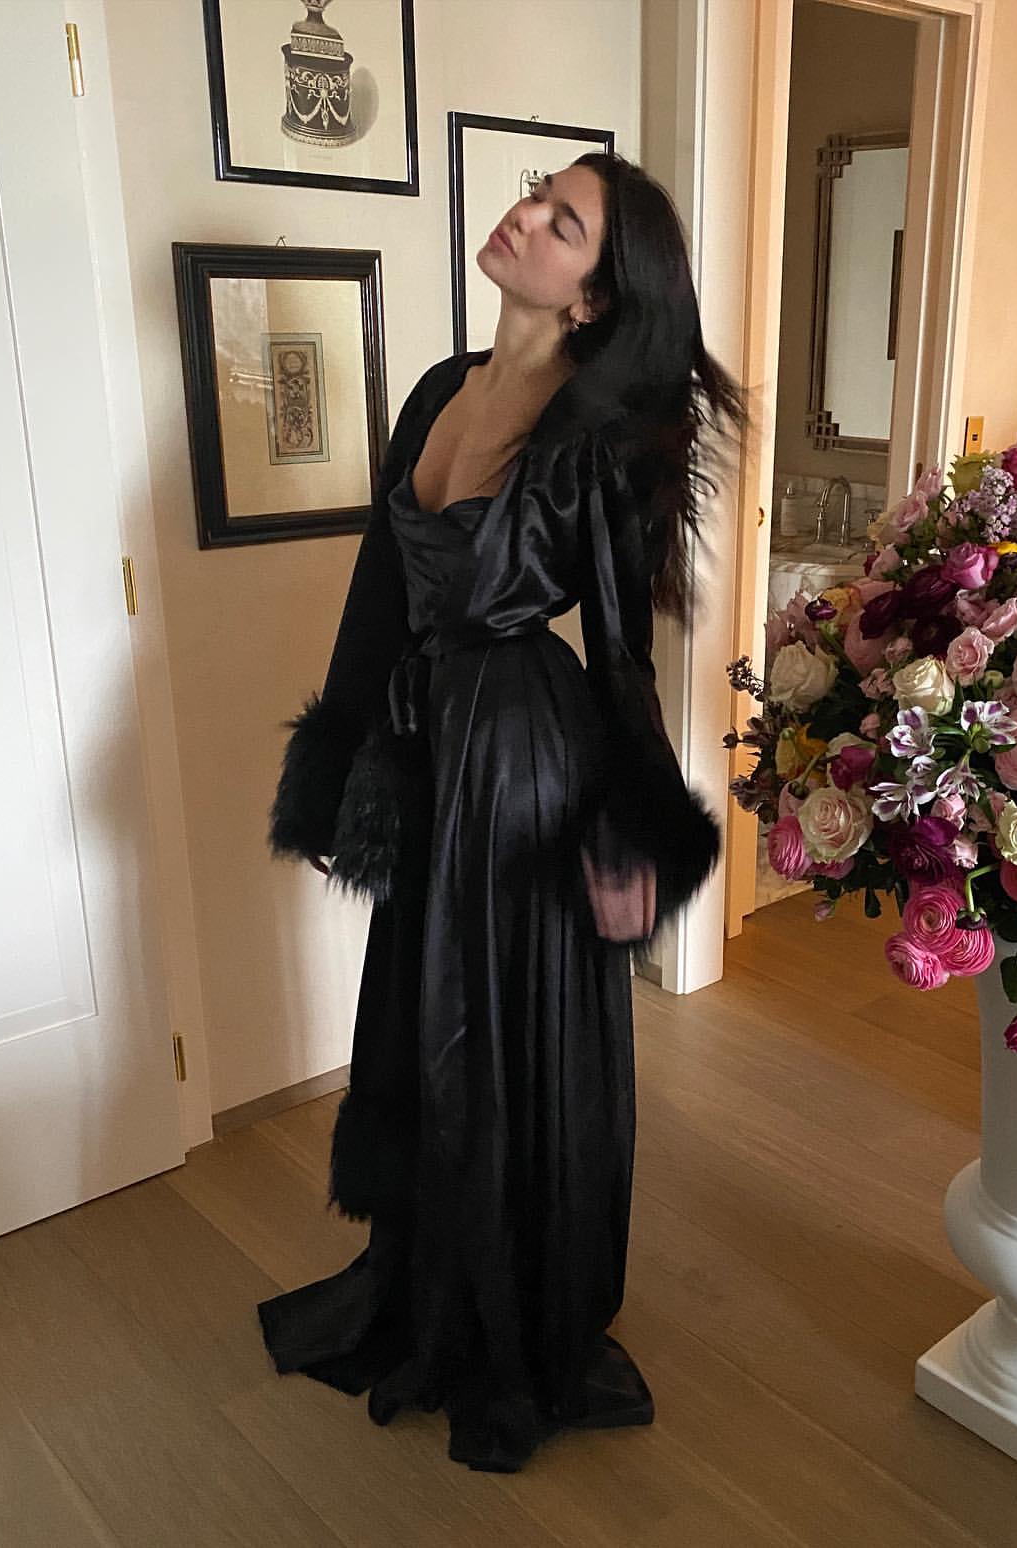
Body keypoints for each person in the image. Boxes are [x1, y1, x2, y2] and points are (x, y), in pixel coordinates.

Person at [257, 151, 747, 1474]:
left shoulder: (598, 434)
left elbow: (623, 657)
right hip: (426, 747)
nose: (525, 216)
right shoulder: (437, 388)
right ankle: (424, 1292)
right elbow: (380, 589)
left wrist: (637, 835)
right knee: (425, 1024)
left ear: (592, 296)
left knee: (499, 1042)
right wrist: (338, 763)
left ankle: (514, 1321)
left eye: (562, 221)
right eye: (539, 193)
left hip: (526, 761)